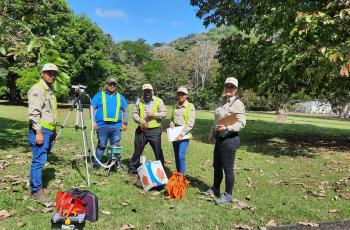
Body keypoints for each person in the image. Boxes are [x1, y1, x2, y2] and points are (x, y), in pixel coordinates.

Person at [205, 77, 246, 205]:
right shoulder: (222, 101)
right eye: (227, 86)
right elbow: (217, 120)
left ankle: (228, 195)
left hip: (230, 139)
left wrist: (228, 128)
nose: (229, 88)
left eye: (232, 87)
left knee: (228, 169)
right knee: (217, 166)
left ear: (236, 89)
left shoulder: (237, 103)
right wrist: (212, 133)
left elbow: (242, 123)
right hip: (219, 138)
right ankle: (215, 189)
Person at [28, 63, 59, 202]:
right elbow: (34, 113)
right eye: (49, 73)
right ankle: (36, 191)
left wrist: (54, 131)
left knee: (42, 158)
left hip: (48, 130)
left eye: (54, 73)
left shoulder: (49, 90)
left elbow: (50, 112)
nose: (52, 76)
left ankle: (37, 186)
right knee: (38, 160)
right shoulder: (37, 89)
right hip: (40, 130)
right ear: (42, 73)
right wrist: (38, 132)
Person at [128, 84, 167, 175]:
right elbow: (134, 113)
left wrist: (154, 114)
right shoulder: (139, 101)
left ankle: (161, 171)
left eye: (149, 91)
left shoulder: (158, 101)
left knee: (158, 151)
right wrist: (138, 119)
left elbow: (164, 113)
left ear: (152, 91)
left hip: (155, 131)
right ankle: (133, 169)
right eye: (145, 91)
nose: (147, 92)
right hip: (141, 130)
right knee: (137, 150)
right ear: (143, 92)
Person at [91, 78, 128, 169]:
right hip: (102, 126)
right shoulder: (99, 95)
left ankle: (116, 165)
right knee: (101, 145)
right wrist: (93, 122)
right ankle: (96, 165)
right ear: (106, 85)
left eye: (114, 84)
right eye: (110, 84)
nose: (112, 86)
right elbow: (92, 107)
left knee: (115, 146)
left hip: (116, 126)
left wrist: (125, 123)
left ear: (116, 86)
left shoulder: (120, 97)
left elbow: (126, 110)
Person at [169, 87, 195, 176]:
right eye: (179, 94)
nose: (180, 96)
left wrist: (181, 134)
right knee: (176, 155)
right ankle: (178, 174)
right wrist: (171, 123)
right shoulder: (175, 105)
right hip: (175, 133)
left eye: (182, 94)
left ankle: (182, 177)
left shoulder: (190, 106)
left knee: (181, 156)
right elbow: (172, 118)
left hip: (185, 134)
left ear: (186, 96)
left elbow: (190, 123)